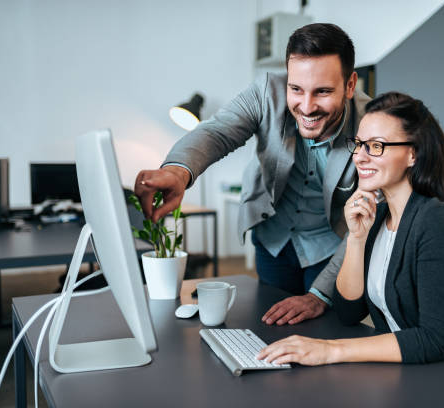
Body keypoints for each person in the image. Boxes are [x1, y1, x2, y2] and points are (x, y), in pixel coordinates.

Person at [257, 91, 444, 380]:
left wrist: (330, 350)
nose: (359, 157)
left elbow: (435, 339)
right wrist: (356, 239)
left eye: (376, 146)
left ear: (413, 153)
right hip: (413, 373)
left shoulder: (439, 221)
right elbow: (349, 312)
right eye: (359, 144)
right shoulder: (378, 215)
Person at [134, 23, 370, 325]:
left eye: (322, 91)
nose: (307, 106)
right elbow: (218, 132)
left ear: (350, 85)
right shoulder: (267, 91)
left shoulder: (372, 125)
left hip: (331, 247)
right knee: (271, 327)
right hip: (274, 237)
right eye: (296, 89)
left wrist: (318, 295)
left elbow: (364, 222)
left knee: (325, 333)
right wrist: (178, 172)